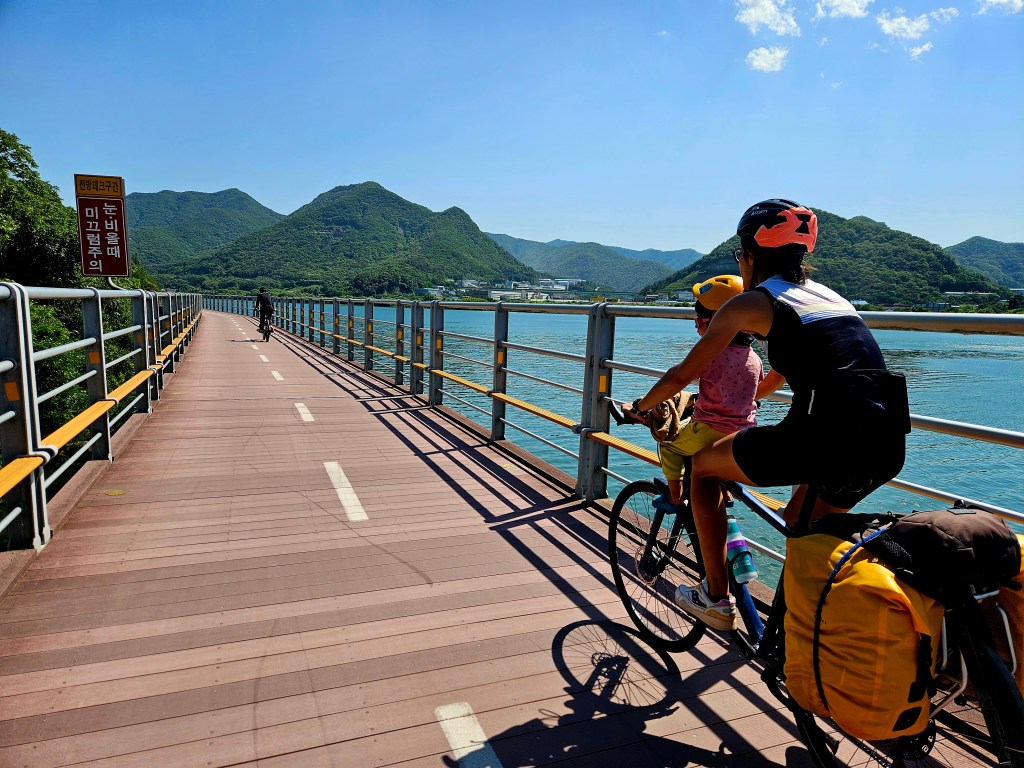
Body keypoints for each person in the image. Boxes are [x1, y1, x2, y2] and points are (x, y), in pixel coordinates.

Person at [631, 199, 910, 631]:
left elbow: (681, 375)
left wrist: (641, 408)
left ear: (748, 254)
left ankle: (715, 599)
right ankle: (795, 635)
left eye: (739, 256)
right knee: (801, 528)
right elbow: (785, 371)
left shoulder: (753, 302)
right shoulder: (831, 297)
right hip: (885, 438)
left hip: (824, 436)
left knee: (703, 469)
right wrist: (753, 398)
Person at [625, 275, 764, 513]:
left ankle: (675, 498)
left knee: (670, 444)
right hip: (742, 432)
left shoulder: (711, 352)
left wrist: (640, 408)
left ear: (716, 322)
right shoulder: (754, 358)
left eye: (699, 319)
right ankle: (725, 492)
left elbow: (676, 378)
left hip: (709, 428)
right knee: (714, 464)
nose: (696, 325)